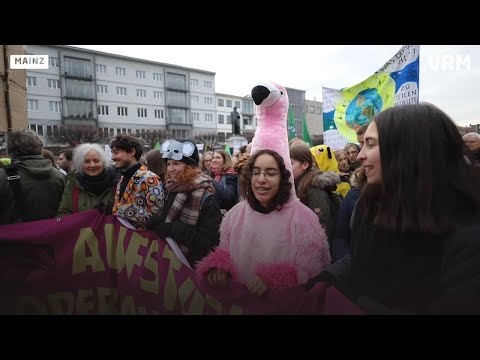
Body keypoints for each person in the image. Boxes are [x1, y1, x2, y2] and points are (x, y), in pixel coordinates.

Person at [306, 103, 480, 314]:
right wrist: (322, 282)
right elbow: (360, 260)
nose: (360, 155)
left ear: (408, 150)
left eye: (370, 144)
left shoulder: (468, 238)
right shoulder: (368, 205)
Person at [196, 81, 330, 296]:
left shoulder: (303, 220)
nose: (261, 180)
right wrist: (218, 268)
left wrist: (278, 279)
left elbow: (314, 275)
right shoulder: (235, 215)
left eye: (270, 173)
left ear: (283, 177)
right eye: (256, 172)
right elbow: (225, 251)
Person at [146, 139, 222, 268]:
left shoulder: (205, 195)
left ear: (190, 167)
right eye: (169, 164)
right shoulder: (170, 188)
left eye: (176, 164)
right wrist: (159, 222)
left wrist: (173, 228)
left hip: (191, 267)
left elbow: (209, 242)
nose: (171, 169)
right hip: (168, 262)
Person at [0, 129, 65, 224]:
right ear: (40, 148)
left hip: (12, 236)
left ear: (10, 150)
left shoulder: (2, 177)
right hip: (50, 234)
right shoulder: (59, 176)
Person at [110, 134, 164, 229]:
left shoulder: (150, 178)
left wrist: (116, 209)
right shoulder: (122, 178)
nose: (112, 157)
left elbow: (155, 216)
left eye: (116, 152)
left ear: (131, 152)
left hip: (143, 239)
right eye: (112, 153)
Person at [57, 143, 118, 215]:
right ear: (80, 164)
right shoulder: (72, 186)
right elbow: (64, 214)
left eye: (96, 161)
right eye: (87, 161)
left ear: (103, 162)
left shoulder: (117, 183)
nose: (92, 165)